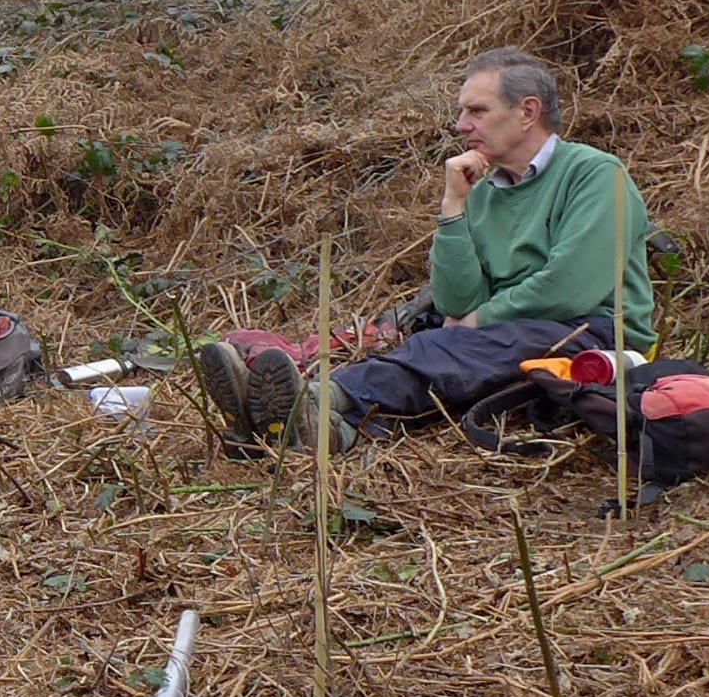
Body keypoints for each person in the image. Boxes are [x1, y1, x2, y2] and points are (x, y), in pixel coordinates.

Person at [197, 48, 655, 453]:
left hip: (593, 335)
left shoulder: (596, 175)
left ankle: (320, 397)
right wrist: (454, 206)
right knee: (449, 352)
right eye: (462, 112)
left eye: (477, 110)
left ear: (527, 112)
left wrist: (480, 319)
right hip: (507, 332)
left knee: (448, 347)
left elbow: (570, 286)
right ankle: (323, 429)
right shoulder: (483, 190)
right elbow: (456, 300)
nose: (461, 125)